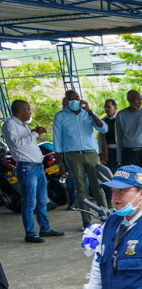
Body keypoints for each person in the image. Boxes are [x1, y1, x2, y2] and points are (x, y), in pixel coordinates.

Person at [1, 100, 63, 243]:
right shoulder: (10, 125)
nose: (30, 112)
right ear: (20, 111)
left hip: (37, 167)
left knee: (42, 200)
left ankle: (45, 228)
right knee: (29, 202)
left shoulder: (23, 125)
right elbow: (17, 144)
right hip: (27, 168)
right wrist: (35, 133)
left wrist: (33, 132)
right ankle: (30, 233)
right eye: (28, 110)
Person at [53, 90, 108, 228]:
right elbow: (57, 141)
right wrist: (60, 164)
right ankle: (86, 221)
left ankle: (105, 216)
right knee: (80, 189)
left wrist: (90, 112)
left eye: (76, 97)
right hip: (73, 155)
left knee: (98, 186)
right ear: (66, 101)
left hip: (91, 154)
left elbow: (103, 128)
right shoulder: (60, 116)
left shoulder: (88, 114)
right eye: (71, 98)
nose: (74, 100)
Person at [99, 99, 120, 173]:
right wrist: (101, 153)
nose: (106, 109)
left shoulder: (121, 119)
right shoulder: (103, 121)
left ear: (115, 108)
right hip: (109, 152)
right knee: (111, 173)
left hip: (121, 151)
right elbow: (100, 138)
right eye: (105, 107)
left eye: (109, 107)